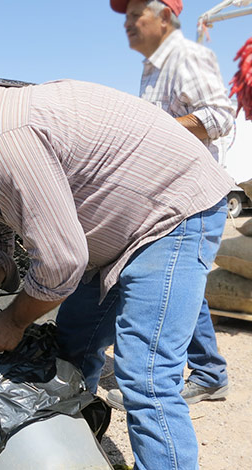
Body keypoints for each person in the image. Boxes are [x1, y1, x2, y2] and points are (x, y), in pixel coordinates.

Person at [0, 48, 234, 470]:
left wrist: (14, 320)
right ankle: (71, 448)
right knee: (73, 347)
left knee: (145, 376)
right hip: (113, 236)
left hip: (170, 215)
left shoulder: (3, 140)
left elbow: (60, 263)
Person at [106, 0, 235, 411]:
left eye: (134, 14)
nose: (126, 23)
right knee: (182, 288)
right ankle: (210, 373)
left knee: (165, 286)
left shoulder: (185, 55)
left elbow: (218, 116)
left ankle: (160, 385)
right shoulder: (154, 67)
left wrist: (150, 135)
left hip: (191, 200)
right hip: (171, 200)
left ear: (165, 17)